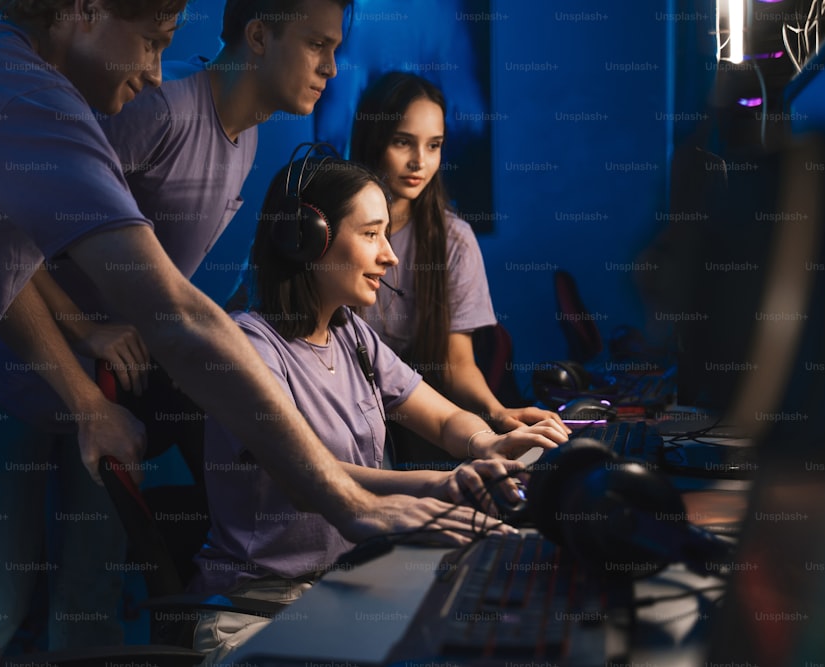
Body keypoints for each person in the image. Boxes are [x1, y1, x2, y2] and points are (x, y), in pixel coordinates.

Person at [0, 1, 495, 655]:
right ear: (85, 9)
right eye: (152, 39)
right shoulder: (56, 103)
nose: (155, 69)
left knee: (80, 595)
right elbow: (173, 312)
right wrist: (343, 496)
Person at [0, 0, 354, 649]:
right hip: (13, 373)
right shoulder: (159, 110)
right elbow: (12, 219)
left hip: (109, 393)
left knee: (90, 607)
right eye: (317, 45)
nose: (331, 66)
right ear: (257, 35)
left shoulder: (244, 139)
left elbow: (163, 285)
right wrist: (88, 326)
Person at [189, 154, 569, 661]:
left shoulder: (352, 334)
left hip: (343, 591)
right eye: (371, 235)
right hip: (260, 616)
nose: (389, 255)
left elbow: (440, 415)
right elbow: (308, 479)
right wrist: (438, 484)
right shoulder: (248, 348)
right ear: (306, 238)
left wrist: (487, 443)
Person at [349, 71, 568, 465]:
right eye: (403, 142)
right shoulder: (329, 229)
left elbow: (456, 363)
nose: (419, 161)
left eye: (433, 146)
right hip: (334, 412)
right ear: (372, 139)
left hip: (417, 427)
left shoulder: (453, 239)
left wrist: (499, 413)